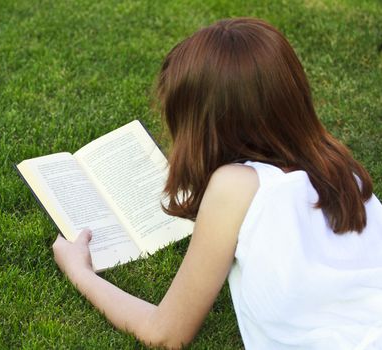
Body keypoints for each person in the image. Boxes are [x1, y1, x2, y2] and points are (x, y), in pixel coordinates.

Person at [52, 17, 382, 349]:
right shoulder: (343, 170)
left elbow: (165, 333)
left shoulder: (233, 187)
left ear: (202, 128)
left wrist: (80, 272)